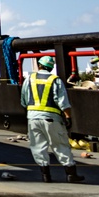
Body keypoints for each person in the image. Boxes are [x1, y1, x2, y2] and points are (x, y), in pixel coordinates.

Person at [20, 55, 84, 183]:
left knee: (38, 147)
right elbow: (63, 102)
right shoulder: (55, 80)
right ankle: (71, 175)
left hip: (33, 118)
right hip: (51, 118)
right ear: (50, 67)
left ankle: (45, 176)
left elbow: (24, 100)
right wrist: (68, 117)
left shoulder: (29, 79)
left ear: (39, 65)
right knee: (60, 145)